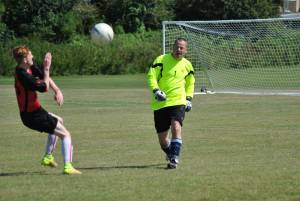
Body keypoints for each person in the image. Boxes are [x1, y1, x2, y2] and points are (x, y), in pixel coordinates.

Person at [13, 45, 81, 175]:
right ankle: (68, 167)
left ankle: (48, 156)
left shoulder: (27, 68)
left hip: (35, 112)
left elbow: (44, 76)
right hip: (32, 116)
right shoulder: (23, 76)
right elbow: (44, 87)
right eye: (30, 55)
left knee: (59, 120)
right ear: (25, 60)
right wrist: (47, 68)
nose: (32, 56)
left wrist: (57, 90)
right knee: (65, 134)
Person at [147, 38, 195, 169]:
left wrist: (189, 99)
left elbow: (190, 83)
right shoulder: (161, 60)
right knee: (163, 141)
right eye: (177, 47)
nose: (179, 50)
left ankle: (174, 159)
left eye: (182, 48)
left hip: (178, 101)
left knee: (176, 127)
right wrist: (156, 90)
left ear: (186, 50)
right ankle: (170, 152)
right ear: (172, 48)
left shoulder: (188, 65)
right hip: (160, 103)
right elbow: (151, 76)